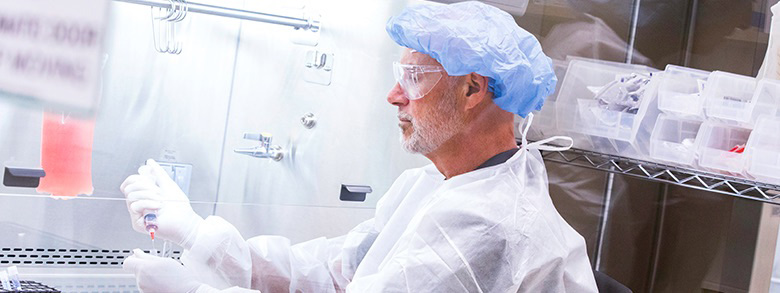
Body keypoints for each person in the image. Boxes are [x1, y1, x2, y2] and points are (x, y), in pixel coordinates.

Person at [120, 1, 598, 292]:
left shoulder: (489, 227)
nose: (394, 95)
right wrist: (198, 235)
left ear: (473, 90)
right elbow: (337, 275)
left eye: (414, 77)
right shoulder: (436, 186)